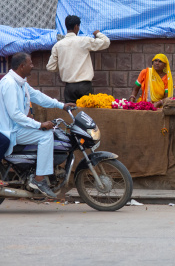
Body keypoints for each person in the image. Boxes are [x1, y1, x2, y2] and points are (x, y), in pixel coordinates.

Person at [0, 53, 75, 198]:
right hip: (10, 130)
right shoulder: (9, 84)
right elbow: (15, 114)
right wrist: (39, 124)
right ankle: (39, 179)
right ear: (22, 66)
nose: (32, 66)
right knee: (46, 136)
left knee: (50, 132)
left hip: (17, 127)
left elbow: (38, 96)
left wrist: (62, 106)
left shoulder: (21, 82)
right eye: (30, 63)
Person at [46, 15, 111, 103]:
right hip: (85, 86)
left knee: (71, 114)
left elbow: (50, 67)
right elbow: (106, 42)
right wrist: (98, 33)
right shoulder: (83, 41)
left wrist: (62, 67)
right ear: (76, 26)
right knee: (86, 114)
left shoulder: (58, 45)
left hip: (69, 88)